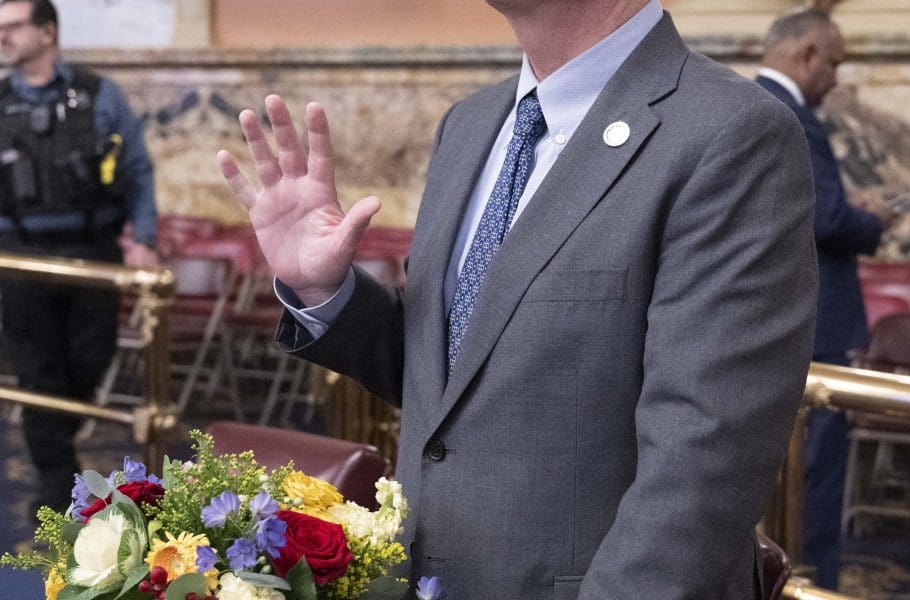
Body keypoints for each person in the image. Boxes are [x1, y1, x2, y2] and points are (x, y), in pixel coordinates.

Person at [220, 1, 818, 597]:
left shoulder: (730, 132)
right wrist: (324, 291)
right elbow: (458, 376)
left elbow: (702, 469)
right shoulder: (470, 124)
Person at [756, 9, 895, 591]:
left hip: (775, 317)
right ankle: (814, 584)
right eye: (834, 63)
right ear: (808, 53)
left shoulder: (751, 103)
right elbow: (826, 220)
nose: (836, 79)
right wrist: (874, 219)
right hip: (816, 321)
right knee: (816, 471)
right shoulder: (794, 116)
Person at [0, 0, 157, 514]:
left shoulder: (97, 94)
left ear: (47, 32)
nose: (3, 35)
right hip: (21, 258)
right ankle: (55, 486)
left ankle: (58, 448)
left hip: (93, 254)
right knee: (38, 374)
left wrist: (143, 238)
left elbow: (137, 170)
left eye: (14, 26)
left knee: (92, 360)